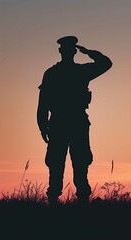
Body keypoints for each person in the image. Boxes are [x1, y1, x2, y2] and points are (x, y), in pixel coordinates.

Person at [37, 36, 112, 204]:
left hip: (69, 123)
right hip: (66, 123)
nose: (68, 52)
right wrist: (42, 125)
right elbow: (43, 102)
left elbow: (107, 64)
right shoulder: (73, 72)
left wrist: (43, 125)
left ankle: (77, 200)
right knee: (59, 163)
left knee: (79, 162)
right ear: (66, 51)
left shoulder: (60, 73)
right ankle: (56, 200)